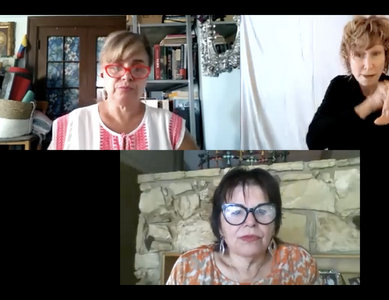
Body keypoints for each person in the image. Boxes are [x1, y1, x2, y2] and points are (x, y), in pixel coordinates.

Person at [166, 167, 320, 285]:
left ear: (275, 223)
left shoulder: (299, 263)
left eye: (262, 210)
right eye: (236, 211)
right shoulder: (188, 269)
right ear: (219, 224)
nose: (251, 222)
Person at [48, 30, 198, 150]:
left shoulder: (170, 126)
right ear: (102, 74)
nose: (127, 77)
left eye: (138, 68)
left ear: (147, 75)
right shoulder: (69, 126)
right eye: (116, 67)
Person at [306, 15, 389, 150]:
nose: (368, 65)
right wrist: (369, 105)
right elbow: (314, 142)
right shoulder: (338, 86)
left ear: (386, 55)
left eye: (376, 53)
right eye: (359, 54)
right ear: (348, 57)